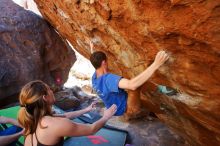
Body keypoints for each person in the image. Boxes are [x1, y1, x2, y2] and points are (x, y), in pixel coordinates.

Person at [17, 80, 117, 146]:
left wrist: (86, 110)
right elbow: (91, 129)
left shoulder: (33, 120)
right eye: (49, 89)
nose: (52, 91)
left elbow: (66, 115)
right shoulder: (55, 124)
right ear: (45, 97)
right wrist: (106, 116)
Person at [90, 42, 169, 116]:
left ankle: (164, 111)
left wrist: (92, 49)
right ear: (104, 62)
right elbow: (132, 85)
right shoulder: (108, 79)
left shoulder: (95, 78)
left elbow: (95, 62)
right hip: (127, 108)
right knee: (136, 83)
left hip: (117, 109)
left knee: (144, 103)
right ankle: (162, 89)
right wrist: (156, 64)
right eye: (107, 61)